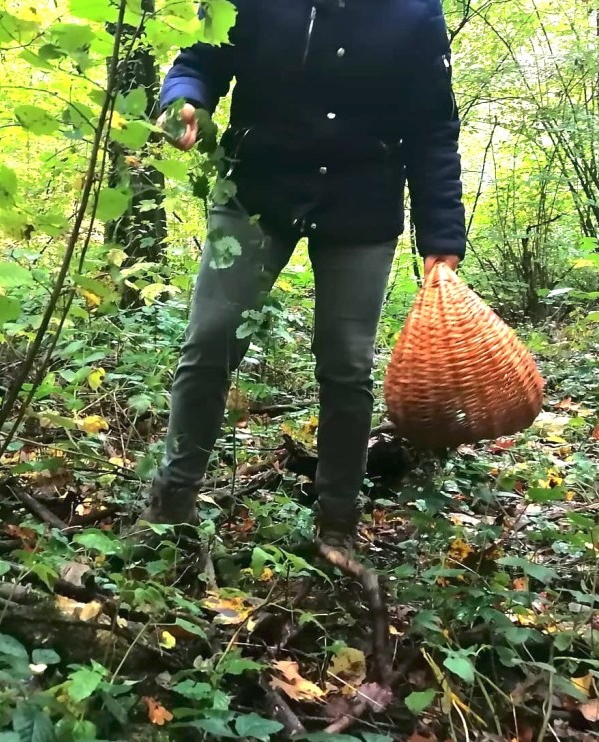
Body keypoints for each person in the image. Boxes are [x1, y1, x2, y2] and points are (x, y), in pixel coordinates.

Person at [138, 0, 467, 553]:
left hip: (361, 203)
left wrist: (441, 238)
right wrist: (184, 101)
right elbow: (199, 61)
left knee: (346, 363)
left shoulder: (414, 12)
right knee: (210, 339)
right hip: (255, 191)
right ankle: (171, 505)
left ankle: (337, 522)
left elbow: (433, 128)